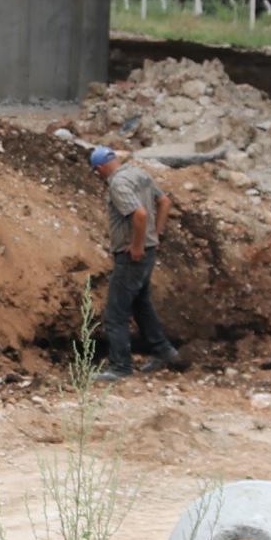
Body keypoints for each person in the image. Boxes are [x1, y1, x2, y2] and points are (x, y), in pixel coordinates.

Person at [88, 145, 180, 383]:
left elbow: (139, 214)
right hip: (148, 252)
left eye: (96, 172)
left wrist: (137, 245)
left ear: (99, 168)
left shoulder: (118, 184)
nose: (97, 177)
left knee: (116, 313)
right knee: (141, 304)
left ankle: (120, 367)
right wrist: (155, 235)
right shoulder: (138, 173)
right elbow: (165, 201)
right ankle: (165, 352)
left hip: (132, 256)